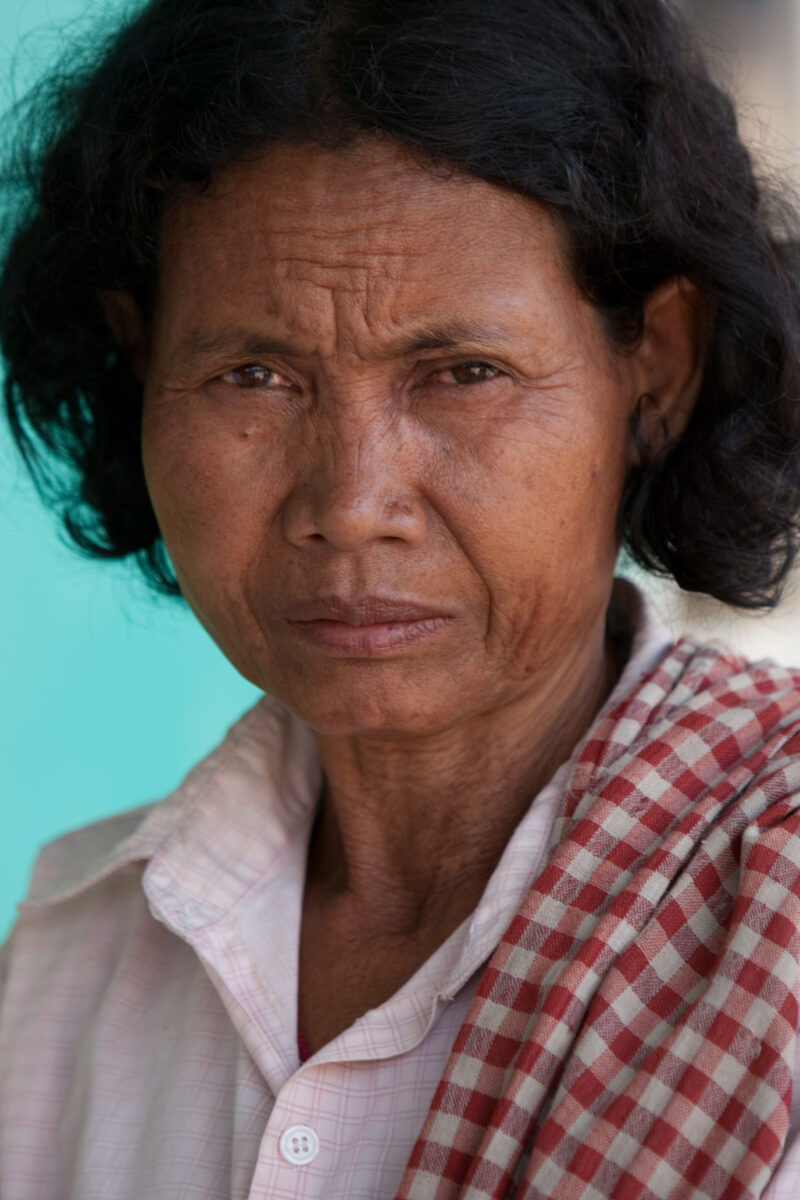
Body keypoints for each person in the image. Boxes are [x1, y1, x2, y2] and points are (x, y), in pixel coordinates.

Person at [2, 0, 800, 1196]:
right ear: (139, 363)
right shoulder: (71, 962)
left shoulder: (773, 909)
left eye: (462, 372)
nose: (352, 500)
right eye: (253, 375)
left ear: (654, 369)